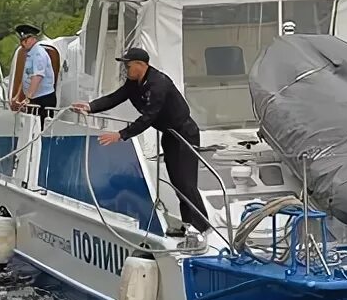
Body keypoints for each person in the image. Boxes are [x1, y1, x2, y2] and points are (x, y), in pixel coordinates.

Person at [72, 47, 211, 247]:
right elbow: (115, 97)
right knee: (177, 183)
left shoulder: (158, 84)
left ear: (141, 65)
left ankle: (201, 229)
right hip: (170, 134)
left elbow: (148, 117)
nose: (125, 69)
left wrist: (121, 135)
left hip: (184, 133)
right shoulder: (134, 83)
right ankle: (188, 225)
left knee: (187, 184)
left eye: (128, 65)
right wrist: (90, 106)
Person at [11, 24, 56, 129]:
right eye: (21, 40)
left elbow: (37, 77)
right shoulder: (30, 54)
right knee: (31, 129)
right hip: (34, 98)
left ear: (32, 39)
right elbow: (27, 77)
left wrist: (28, 98)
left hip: (43, 98)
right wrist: (18, 95)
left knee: (39, 130)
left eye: (25, 40)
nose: (22, 43)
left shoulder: (38, 54)